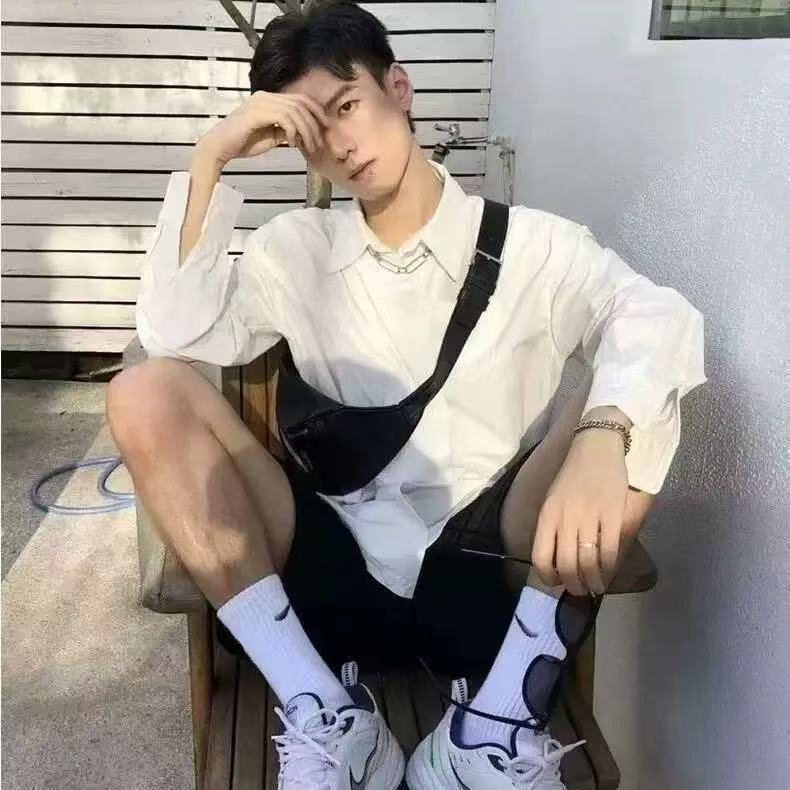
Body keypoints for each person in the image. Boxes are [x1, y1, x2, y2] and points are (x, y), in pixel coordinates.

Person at [106, 1, 707, 787]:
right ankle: (326, 710)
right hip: (327, 570)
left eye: (346, 106)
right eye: (311, 131)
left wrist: (605, 432)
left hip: (487, 575)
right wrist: (211, 155)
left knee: (644, 392)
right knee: (144, 391)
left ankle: (491, 730)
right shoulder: (295, 252)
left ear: (398, 87)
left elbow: (658, 317)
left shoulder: (536, 246)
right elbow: (173, 329)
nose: (339, 144)